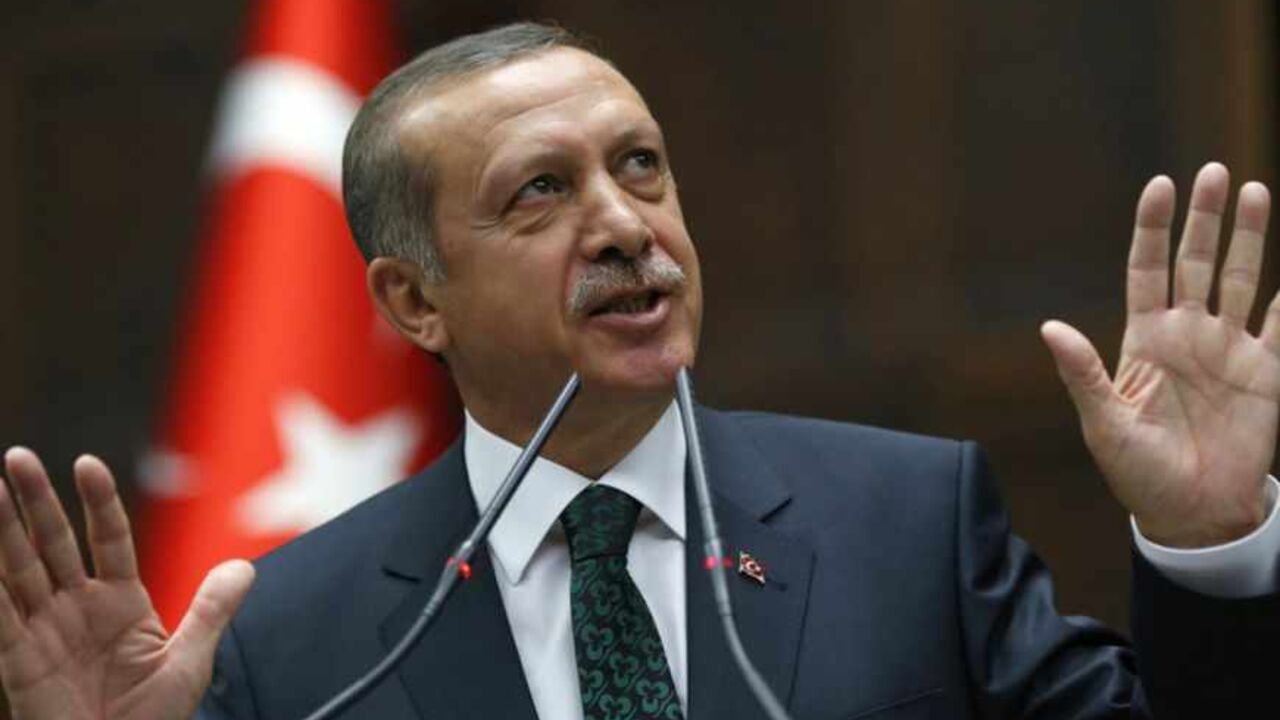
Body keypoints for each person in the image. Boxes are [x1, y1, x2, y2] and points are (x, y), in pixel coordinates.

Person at [1, 21, 1278, 720]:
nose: (622, 225)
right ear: (412, 300)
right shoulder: (294, 644)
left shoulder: (908, 520)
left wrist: (1208, 545)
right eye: (541, 192)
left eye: (641, 166)